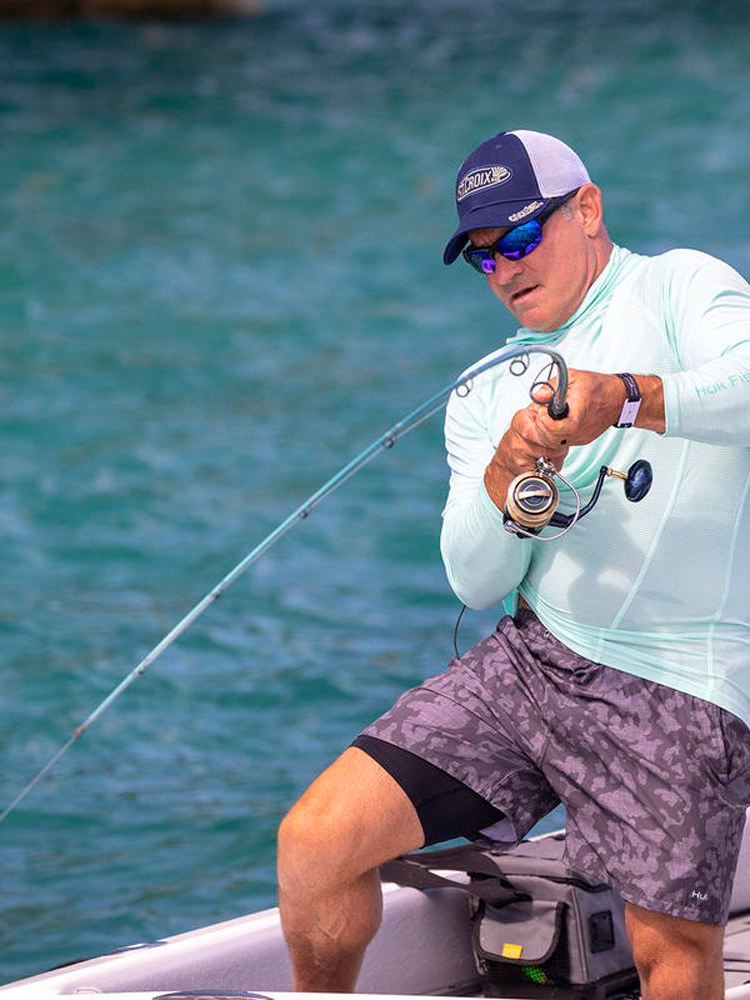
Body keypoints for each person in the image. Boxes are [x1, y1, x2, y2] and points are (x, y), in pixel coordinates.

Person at [276, 129, 750, 1000]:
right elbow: (474, 581)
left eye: (522, 238)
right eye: (483, 257)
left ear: (588, 209)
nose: (505, 269)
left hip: (682, 676)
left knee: (671, 954)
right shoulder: (481, 388)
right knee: (316, 842)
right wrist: (503, 479)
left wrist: (626, 397)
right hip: (530, 667)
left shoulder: (681, 286)